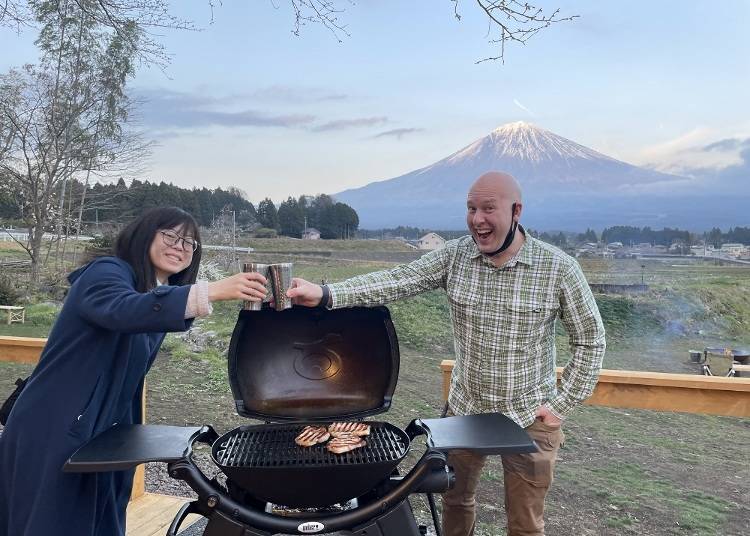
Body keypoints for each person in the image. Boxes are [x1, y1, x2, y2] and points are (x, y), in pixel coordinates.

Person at [287, 171, 606, 536]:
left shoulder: (558, 268)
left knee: (526, 520)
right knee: (455, 500)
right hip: (465, 407)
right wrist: (326, 294)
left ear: (517, 210)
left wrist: (561, 405)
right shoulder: (455, 256)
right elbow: (397, 281)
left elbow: (591, 340)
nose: (477, 219)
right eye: (471, 209)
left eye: (488, 208)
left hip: (529, 414)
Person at [0, 207, 268, 536]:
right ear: (144, 235)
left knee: (102, 519)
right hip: (55, 425)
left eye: (189, 243)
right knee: (53, 520)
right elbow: (120, 310)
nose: (179, 246)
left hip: (107, 433)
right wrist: (209, 291)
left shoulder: (151, 292)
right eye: (170, 235)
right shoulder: (106, 271)